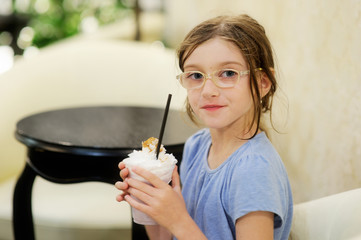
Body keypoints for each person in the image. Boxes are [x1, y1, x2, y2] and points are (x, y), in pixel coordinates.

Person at [115, 14, 293, 240]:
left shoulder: (254, 170)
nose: (208, 90)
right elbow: (166, 238)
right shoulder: (196, 145)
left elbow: (181, 227)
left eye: (228, 73)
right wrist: (149, 202)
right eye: (196, 75)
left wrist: (178, 219)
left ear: (262, 82)